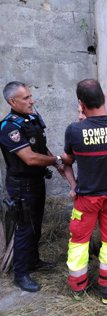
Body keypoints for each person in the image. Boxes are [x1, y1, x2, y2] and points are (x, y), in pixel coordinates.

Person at [61, 79, 107, 304]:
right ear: (104, 98)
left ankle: (78, 288)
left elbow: (67, 162)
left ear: (80, 104)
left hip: (86, 199)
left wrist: (73, 185)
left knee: (79, 241)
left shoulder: (74, 130)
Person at [0, 81, 63, 292]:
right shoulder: (9, 127)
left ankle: (33, 261)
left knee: (36, 223)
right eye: (26, 98)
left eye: (30, 96)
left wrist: (55, 161)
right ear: (12, 101)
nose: (31, 100)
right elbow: (29, 158)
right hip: (21, 186)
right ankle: (21, 273)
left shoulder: (32, 119)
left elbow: (41, 148)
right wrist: (55, 159)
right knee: (24, 228)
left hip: (36, 182)